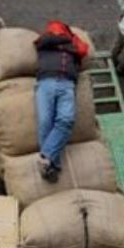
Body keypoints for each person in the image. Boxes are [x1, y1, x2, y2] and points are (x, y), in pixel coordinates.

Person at [34, 20, 90, 183]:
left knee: (66, 120)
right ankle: (52, 165)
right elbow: (42, 41)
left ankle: (46, 157)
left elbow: (83, 49)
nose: (57, 33)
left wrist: (71, 40)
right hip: (46, 82)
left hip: (67, 84)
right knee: (45, 122)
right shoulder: (45, 42)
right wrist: (65, 41)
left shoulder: (73, 44)